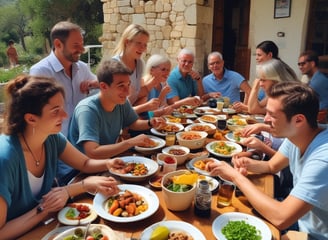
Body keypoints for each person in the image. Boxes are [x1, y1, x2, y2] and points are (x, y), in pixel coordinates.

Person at [0, 75, 124, 239]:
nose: (65, 115)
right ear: (31, 119)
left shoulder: (51, 137)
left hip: (45, 228)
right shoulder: (5, 159)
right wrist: (49, 206)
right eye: (56, 111)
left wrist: (109, 163)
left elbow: (85, 163)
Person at [207, 81, 328, 239]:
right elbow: (272, 166)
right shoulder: (298, 134)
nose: (265, 119)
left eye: (273, 115)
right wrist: (248, 163)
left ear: (299, 120)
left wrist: (235, 177)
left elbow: (281, 217)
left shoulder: (323, 159)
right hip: (301, 220)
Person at [68, 59, 166, 160]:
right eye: (121, 86)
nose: (127, 92)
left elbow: (133, 123)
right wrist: (130, 142)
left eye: (128, 85)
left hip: (106, 161)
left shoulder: (120, 101)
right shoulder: (87, 110)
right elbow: (92, 152)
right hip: (77, 171)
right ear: (103, 86)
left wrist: (150, 123)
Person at [29, 21, 99, 136]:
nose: (82, 50)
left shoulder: (82, 68)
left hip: (83, 137)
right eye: (76, 45)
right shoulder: (41, 72)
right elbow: (36, 114)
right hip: (57, 143)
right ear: (58, 44)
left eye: (82, 44)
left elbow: (104, 84)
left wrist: (95, 84)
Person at [111, 24, 161, 115]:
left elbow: (137, 94)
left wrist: (155, 81)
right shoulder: (115, 66)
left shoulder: (139, 63)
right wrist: (145, 107)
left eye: (145, 45)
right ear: (127, 42)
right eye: (139, 43)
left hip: (132, 114)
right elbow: (117, 109)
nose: (143, 48)